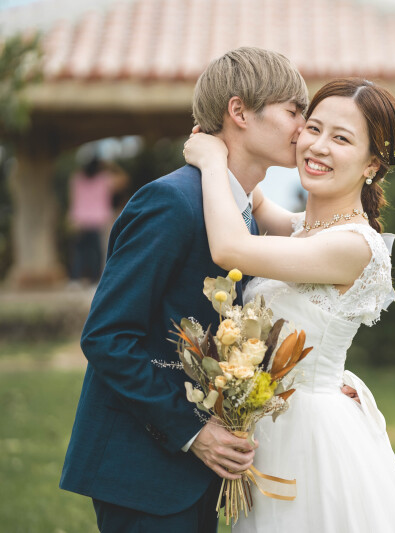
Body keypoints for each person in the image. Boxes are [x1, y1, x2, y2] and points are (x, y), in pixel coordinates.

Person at [60, 47, 343, 533]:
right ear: (239, 112)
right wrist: (192, 433)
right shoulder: (170, 202)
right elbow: (107, 336)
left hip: (204, 474)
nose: (303, 129)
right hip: (142, 469)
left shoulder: (242, 214)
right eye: (294, 112)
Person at [184, 77, 395, 532]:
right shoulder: (303, 229)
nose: (317, 147)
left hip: (312, 437)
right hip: (269, 425)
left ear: (372, 163)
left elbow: (231, 249)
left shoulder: (355, 246)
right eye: (313, 129)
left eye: (341, 139)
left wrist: (210, 160)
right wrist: (230, 140)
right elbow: (256, 201)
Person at [66, 156, 127, 285]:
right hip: (99, 220)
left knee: (80, 252)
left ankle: (75, 279)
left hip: (80, 220)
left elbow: (72, 198)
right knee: (98, 252)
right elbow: (124, 179)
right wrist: (111, 165)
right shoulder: (104, 179)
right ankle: (96, 280)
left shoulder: (77, 178)